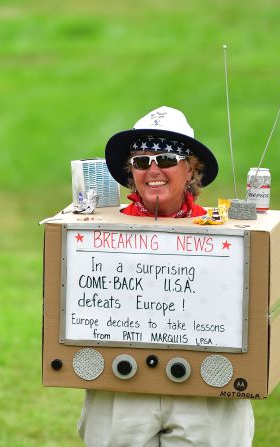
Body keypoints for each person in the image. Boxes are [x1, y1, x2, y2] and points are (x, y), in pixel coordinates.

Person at [77, 106, 254, 447]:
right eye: (141, 161)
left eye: (167, 158)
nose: (153, 169)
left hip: (208, 384)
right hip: (121, 384)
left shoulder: (228, 232)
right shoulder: (95, 231)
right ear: (131, 172)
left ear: (190, 168)